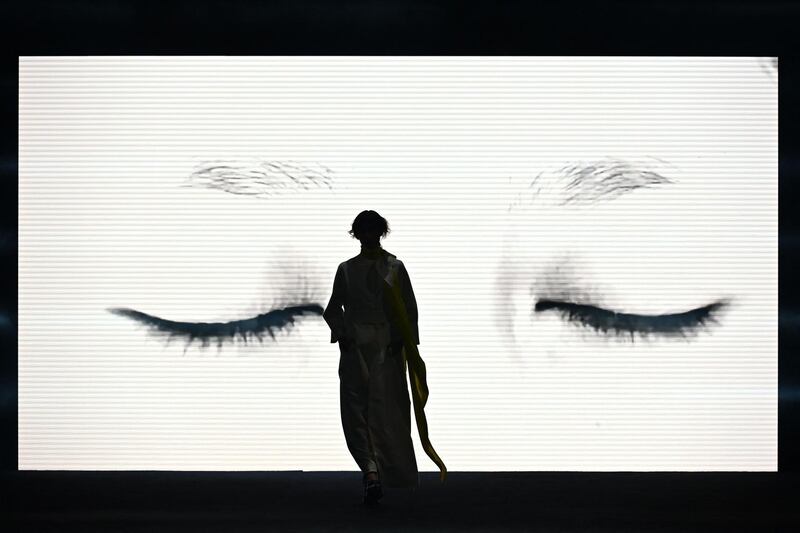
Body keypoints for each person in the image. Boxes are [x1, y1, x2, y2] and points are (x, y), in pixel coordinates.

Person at [323, 210, 442, 505]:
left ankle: (384, 472)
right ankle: (371, 471)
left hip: (386, 347)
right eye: (363, 230)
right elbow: (331, 309)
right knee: (356, 410)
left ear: (379, 232)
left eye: (372, 229)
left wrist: (401, 341)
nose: (368, 235)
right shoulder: (347, 269)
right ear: (357, 233)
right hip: (357, 347)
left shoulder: (394, 267)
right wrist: (344, 335)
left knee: (387, 411)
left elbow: (410, 310)